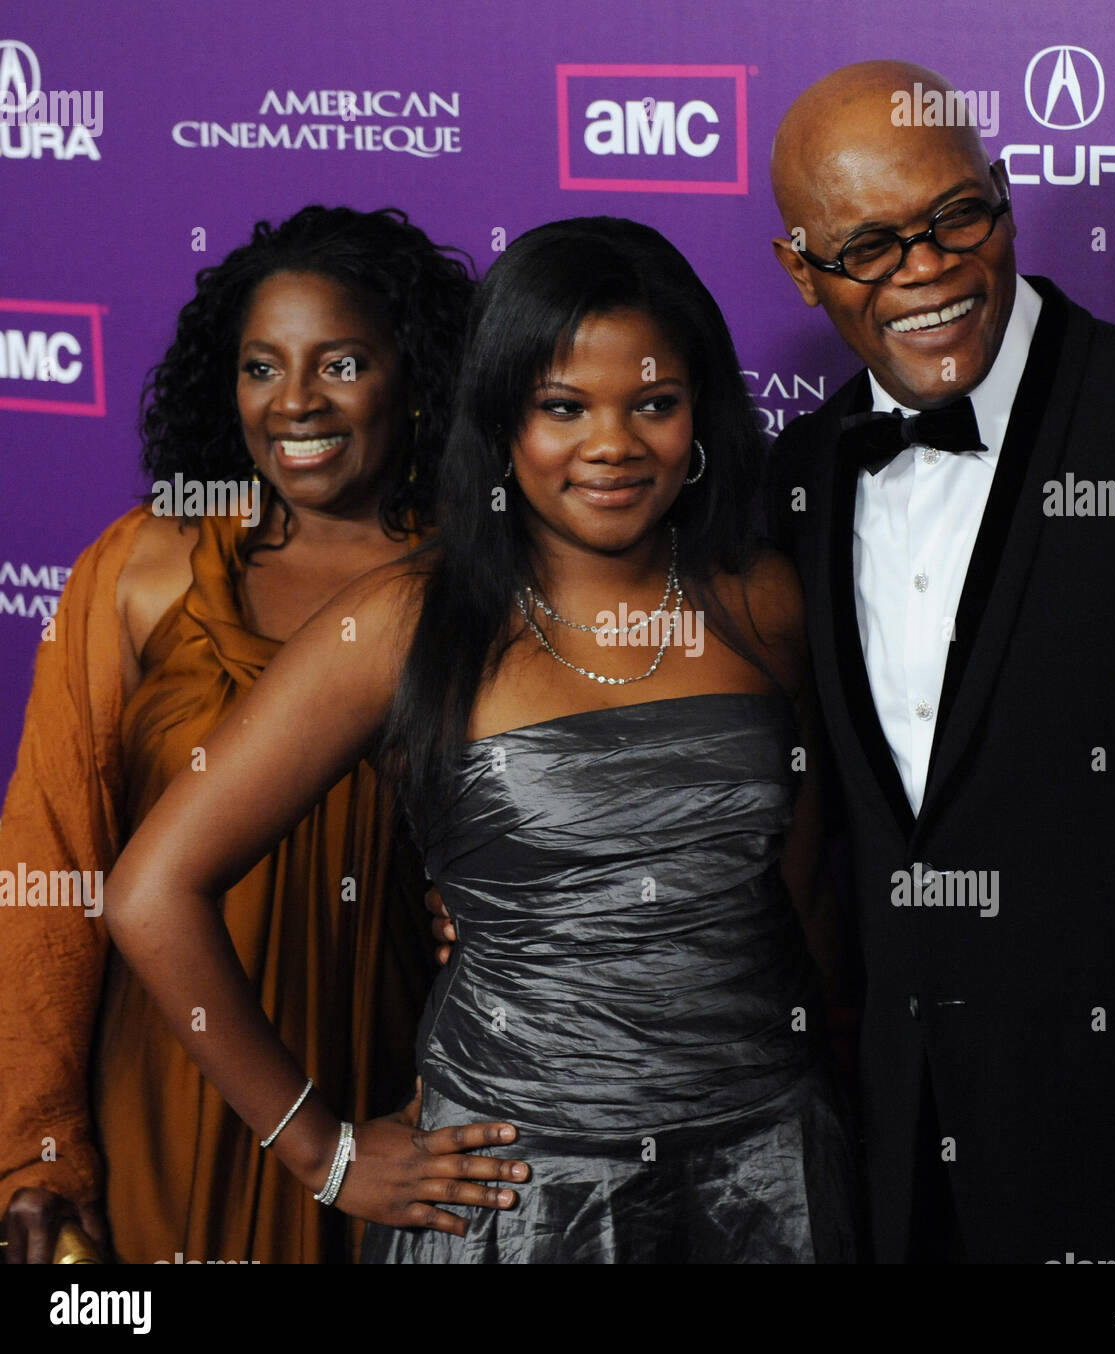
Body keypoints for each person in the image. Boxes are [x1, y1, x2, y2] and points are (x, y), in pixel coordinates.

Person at [99, 215, 860, 1264]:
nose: (610, 445)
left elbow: (797, 888)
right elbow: (149, 891)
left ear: (702, 412)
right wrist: (320, 1151)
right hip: (524, 1192)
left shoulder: (760, 599)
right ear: (500, 417)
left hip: (769, 1174)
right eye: (562, 407)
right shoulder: (404, 623)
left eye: (653, 404)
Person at [763, 60, 1115, 1264]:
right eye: (870, 245)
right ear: (800, 268)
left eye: (960, 214)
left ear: (1005, 194)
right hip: (903, 1171)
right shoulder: (799, 478)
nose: (930, 269)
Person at [0, 205, 522, 1265]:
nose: (294, 402)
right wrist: (39, 1150)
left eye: (340, 363)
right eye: (259, 367)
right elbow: (49, 862)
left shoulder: (480, 591)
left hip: (394, 1102)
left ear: (416, 378)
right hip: (162, 1088)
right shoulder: (142, 569)